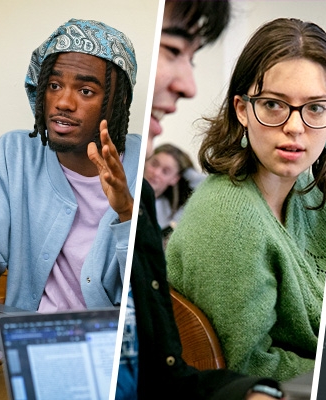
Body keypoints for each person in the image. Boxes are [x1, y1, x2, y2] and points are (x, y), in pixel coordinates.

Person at [0, 18, 141, 395]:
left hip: (112, 360)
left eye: (85, 90)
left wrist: (127, 214)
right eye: (54, 85)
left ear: (116, 100)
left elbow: (144, 295)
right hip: (26, 355)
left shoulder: (142, 163)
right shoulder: (12, 156)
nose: (63, 101)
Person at [116, 2, 283, 399]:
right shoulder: (224, 211)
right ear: (242, 111)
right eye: (172, 49)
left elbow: (167, 379)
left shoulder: (137, 200)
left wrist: (257, 392)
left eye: (316, 107)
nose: (189, 85)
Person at [164, 17, 326, 383]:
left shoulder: (312, 193)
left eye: (315, 107)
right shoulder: (229, 217)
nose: (295, 127)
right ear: (242, 109)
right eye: (275, 105)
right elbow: (247, 367)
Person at [144, 143, 198, 238]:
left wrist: (188, 172)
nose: (156, 173)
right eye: (154, 164)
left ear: (175, 179)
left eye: (165, 171)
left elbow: (203, 183)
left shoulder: (169, 213)